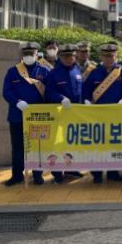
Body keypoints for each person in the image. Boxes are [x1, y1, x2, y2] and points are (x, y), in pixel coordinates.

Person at [2, 42, 51, 186]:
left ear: (37, 55)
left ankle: (37, 175)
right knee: (18, 147)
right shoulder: (13, 71)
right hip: (17, 116)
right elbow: (6, 91)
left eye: (31, 54)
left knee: (38, 147)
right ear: (22, 55)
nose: (29, 56)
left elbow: (50, 92)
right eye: (26, 54)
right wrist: (16, 102)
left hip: (38, 117)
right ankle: (17, 175)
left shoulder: (44, 71)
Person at [83, 43, 122, 184]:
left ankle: (113, 172)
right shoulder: (94, 72)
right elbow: (85, 90)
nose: (109, 59)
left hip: (116, 115)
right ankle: (96, 173)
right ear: (101, 57)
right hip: (97, 115)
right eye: (106, 56)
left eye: (111, 56)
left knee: (114, 144)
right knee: (97, 145)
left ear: (116, 56)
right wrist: (86, 100)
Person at [45, 43, 83, 183]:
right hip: (59, 114)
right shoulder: (54, 73)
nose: (68, 59)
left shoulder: (77, 71)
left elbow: (81, 91)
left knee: (72, 143)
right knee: (58, 145)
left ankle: (71, 169)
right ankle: (57, 173)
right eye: (65, 56)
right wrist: (61, 98)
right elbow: (49, 93)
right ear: (60, 57)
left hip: (75, 114)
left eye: (71, 56)